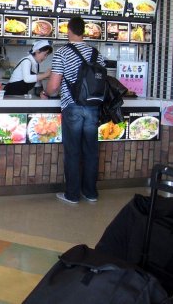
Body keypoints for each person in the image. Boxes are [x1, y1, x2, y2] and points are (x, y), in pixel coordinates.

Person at [45, 16, 106, 205]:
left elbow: (53, 86)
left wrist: (46, 93)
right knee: (91, 152)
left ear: (69, 31)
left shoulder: (63, 52)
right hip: (93, 108)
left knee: (73, 152)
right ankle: (90, 193)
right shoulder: (97, 54)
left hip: (72, 107)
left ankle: (72, 194)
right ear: (84, 32)